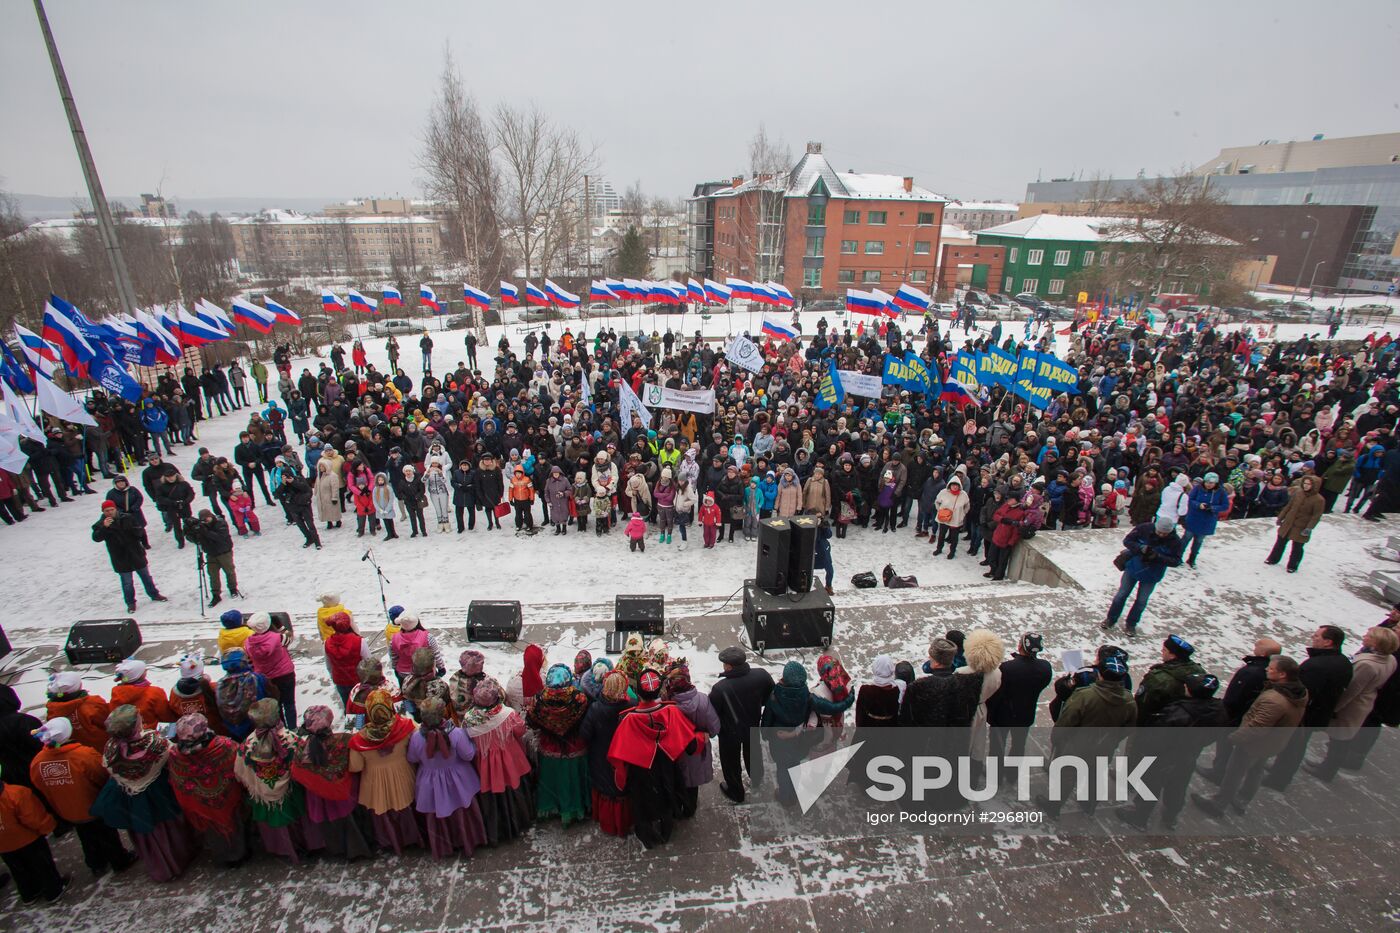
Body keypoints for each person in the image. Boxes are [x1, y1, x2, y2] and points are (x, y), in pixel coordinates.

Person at [89, 705, 198, 882]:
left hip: (129, 798)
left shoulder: (110, 748)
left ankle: (159, 865)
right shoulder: (156, 744)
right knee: (169, 827)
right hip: (159, 794)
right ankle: (179, 857)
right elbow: (171, 754)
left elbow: (110, 768)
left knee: (144, 832)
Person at [1192, 656, 1308, 818]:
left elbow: (1257, 728)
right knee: (1256, 770)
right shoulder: (1298, 691)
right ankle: (1243, 799)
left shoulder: (1274, 700)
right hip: (1273, 742)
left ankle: (1218, 804)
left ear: (1282, 674)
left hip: (1253, 744)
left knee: (1234, 774)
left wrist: (1233, 738)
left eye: (1271, 668)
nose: (1267, 669)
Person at [1117, 672, 1228, 830]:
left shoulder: (1178, 713)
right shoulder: (1218, 709)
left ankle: (1140, 816)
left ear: (1189, 690)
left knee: (1151, 784)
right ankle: (1171, 815)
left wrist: (1145, 750)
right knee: (1178, 786)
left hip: (1165, 756)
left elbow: (1157, 737)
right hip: (1189, 755)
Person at [28, 718, 137, 879]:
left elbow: (39, 784)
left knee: (85, 836)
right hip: (93, 804)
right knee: (107, 834)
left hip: (68, 809)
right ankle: (119, 860)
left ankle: (96, 864)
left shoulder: (37, 761)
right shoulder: (83, 755)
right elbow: (102, 775)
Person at [607, 669, 698, 849]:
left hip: (641, 771)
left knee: (641, 803)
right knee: (666, 796)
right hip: (666, 766)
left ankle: (647, 836)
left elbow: (618, 753)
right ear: (658, 692)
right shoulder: (671, 711)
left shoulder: (628, 718)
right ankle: (666, 831)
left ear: (639, 693)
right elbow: (691, 744)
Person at [1037, 654, 1136, 818]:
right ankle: (1090, 804)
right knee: (1095, 775)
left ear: (1100, 675)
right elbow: (1129, 727)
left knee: (1068, 775)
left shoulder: (1085, 695)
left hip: (1078, 744)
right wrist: (1112, 739)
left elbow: (1067, 720)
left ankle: (1054, 806)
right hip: (1105, 745)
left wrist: (1057, 737)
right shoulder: (1129, 700)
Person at [1263, 625, 1353, 791]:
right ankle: (1280, 771)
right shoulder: (1343, 663)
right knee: (1296, 745)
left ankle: (1278, 779)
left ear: (1328, 642)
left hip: (1304, 714)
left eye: (1317, 636)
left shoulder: (1317, 666)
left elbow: (1300, 692)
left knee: (1292, 746)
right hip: (1318, 713)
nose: (1313, 637)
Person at [1307, 626, 1399, 781]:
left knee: (1339, 740)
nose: (1364, 636)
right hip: (1365, 702)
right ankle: (1327, 767)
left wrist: (1334, 708)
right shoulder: (1390, 659)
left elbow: (1351, 690)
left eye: (1369, 636)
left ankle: (1327, 770)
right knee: (1341, 738)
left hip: (1352, 707)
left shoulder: (1367, 665)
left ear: (1376, 643)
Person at [290, 705, 374, 861]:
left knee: (329, 825)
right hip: (341, 794)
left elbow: (296, 773)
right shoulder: (342, 741)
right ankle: (357, 850)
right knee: (349, 824)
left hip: (318, 797)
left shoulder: (302, 748)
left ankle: (336, 850)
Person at [407, 697, 488, 857]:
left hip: (430, 783)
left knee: (437, 813)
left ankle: (444, 844)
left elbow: (412, 758)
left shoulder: (416, 737)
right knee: (462, 811)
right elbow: (468, 755)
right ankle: (466, 840)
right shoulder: (456, 733)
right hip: (458, 780)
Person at [233, 699, 312, 862]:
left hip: (264, 794)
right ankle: (305, 845)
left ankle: (282, 849)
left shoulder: (248, 743)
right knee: (296, 819)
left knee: (277, 824)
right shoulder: (290, 739)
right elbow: (306, 763)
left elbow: (239, 771)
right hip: (290, 791)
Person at [167, 712, 249, 867]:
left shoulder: (175, 755)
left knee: (213, 832)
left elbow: (178, 781)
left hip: (202, 804)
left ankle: (224, 856)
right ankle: (239, 853)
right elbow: (241, 764)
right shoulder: (223, 746)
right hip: (228, 797)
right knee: (235, 825)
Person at [1198, 638, 1282, 783]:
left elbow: (1234, 697)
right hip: (1250, 715)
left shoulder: (1251, 672)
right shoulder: (1273, 671)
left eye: (1258, 645)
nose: (1255, 645)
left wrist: (1224, 713)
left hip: (1235, 716)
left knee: (1225, 742)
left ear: (1263, 652)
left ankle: (1218, 772)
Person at [348, 690, 421, 853]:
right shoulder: (406, 726)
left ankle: (392, 842)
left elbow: (356, 766)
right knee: (407, 807)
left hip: (375, 782)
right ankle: (414, 837)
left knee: (384, 813)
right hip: (403, 774)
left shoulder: (358, 739)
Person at [461, 681, 533, 845]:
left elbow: (467, 741)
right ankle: (520, 820)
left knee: (493, 796)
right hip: (510, 760)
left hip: (486, 765)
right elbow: (520, 730)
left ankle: (498, 828)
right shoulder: (507, 714)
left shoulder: (469, 720)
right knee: (514, 789)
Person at [525, 664, 590, 825]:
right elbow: (586, 722)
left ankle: (552, 806)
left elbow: (531, 722)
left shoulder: (539, 699)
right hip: (574, 746)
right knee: (572, 780)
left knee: (552, 780)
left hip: (549, 747)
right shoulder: (579, 699)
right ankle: (575, 807)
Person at [708, 645, 773, 803]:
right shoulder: (761, 675)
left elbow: (712, 713)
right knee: (753, 753)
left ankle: (736, 791)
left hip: (730, 733)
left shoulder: (720, 689)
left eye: (724, 664)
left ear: (729, 667)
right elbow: (769, 696)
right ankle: (756, 778)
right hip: (752, 724)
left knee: (731, 762)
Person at [1101, 516, 1183, 634]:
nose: (1161, 535)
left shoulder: (1175, 542)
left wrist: (1158, 557)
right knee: (1121, 595)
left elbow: (1176, 561)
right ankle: (1111, 619)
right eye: (1159, 532)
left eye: (1165, 533)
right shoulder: (1144, 529)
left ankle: (1131, 624)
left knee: (1141, 601)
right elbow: (1127, 541)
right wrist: (1140, 548)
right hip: (1133, 568)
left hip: (1152, 574)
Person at [660, 660, 721, 818]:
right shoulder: (702, 700)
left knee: (675, 782)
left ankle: (676, 810)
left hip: (673, 753)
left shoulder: (665, 705)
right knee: (692, 785)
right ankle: (689, 809)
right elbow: (714, 728)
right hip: (695, 753)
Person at [0, 770, 67, 903]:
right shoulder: (16, 794)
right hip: (28, 840)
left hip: (4, 846)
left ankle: (29, 894)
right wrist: (49, 827)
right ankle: (54, 891)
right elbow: (34, 819)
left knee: (18, 870)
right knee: (42, 866)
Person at [580, 670, 633, 837]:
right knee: (622, 786)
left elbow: (584, 735)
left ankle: (608, 822)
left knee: (605, 787)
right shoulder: (632, 706)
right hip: (624, 756)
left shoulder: (595, 708)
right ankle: (624, 821)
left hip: (601, 756)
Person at [92, 498, 167, 613]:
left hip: (135, 553)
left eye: (111, 509)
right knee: (127, 582)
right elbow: (96, 538)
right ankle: (130, 603)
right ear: (103, 512)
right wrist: (104, 527)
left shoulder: (127, 517)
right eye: (107, 511)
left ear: (115, 509)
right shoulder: (100, 524)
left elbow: (140, 531)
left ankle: (154, 594)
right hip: (120, 557)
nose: (110, 512)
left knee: (146, 577)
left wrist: (140, 538)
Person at [987, 632, 1053, 759]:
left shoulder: (1008, 668)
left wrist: (990, 711)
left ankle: (996, 769)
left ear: (1020, 647)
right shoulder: (1045, 668)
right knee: (1018, 745)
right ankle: (1013, 769)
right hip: (1026, 714)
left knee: (997, 746)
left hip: (1003, 715)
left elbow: (997, 691)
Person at [1134, 635, 1206, 726]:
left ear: (1172, 655)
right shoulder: (1200, 672)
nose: (1161, 651)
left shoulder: (1157, 679)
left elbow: (1142, 705)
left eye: (1164, 650)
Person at [244, 612, 297, 728]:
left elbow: (249, 659)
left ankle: (280, 728)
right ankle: (293, 728)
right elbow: (289, 637)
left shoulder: (248, 643)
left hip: (265, 679)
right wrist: (280, 627)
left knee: (275, 705)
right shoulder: (278, 638)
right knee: (289, 703)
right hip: (285, 675)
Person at [1266, 474, 1324, 572]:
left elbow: (1316, 516)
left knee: (1297, 547)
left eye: (1309, 484)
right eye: (1305, 483)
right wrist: (1281, 517)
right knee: (1280, 542)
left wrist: (1309, 528)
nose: (1306, 486)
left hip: (1302, 526)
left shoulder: (1319, 500)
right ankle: (1273, 559)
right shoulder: (1298, 493)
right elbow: (1289, 506)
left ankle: (1292, 565)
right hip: (1288, 522)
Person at [43, 672, 110, 753]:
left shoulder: (53, 709)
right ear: (79, 686)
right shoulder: (93, 703)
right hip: (99, 748)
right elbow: (108, 722)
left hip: (72, 752)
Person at [185, 508, 239, 607]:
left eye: (207, 518)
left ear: (211, 516)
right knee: (213, 575)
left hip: (224, 552)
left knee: (229, 572)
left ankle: (233, 589)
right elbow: (196, 540)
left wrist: (205, 531)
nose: (206, 521)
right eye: (203, 520)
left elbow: (220, 537)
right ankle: (216, 594)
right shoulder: (202, 526)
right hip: (211, 554)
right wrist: (189, 531)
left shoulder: (220, 523)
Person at [1179, 472, 1230, 568]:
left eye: (1211, 483)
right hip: (1194, 518)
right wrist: (1198, 505)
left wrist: (1213, 508)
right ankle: (1178, 556)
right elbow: (1190, 499)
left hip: (1207, 521)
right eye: (1207, 482)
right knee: (1186, 538)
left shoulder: (1221, 492)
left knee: (1198, 541)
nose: (1208, 485)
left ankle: (1192, 559)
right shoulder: (1197, 488)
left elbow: (1225, 505)